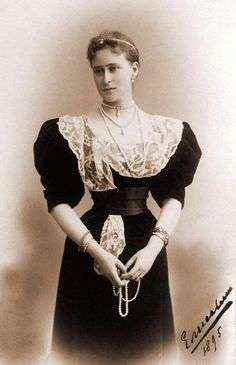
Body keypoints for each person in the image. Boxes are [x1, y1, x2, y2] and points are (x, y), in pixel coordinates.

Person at [34, 30, 202, 365]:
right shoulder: (71, 131)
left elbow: (173, 196)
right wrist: (95, 251)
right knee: (86, 345)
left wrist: (153, 250)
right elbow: (58, 200)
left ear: (134, 69)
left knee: (144, 345)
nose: (106, 78)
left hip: (146, 245)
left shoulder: (165, 133)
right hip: (88, 246)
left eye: (114, 68)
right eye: (98, 70)